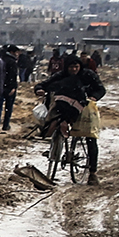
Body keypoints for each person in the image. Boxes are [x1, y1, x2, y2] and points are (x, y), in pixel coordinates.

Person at [37, 53, 107, 183]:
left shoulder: (88, 75)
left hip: (85, 110)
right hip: (65, 109)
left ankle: (93, 172)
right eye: (71, 67)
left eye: (76, 67)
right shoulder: (61, 76)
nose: (74, 70)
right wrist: (39, 89)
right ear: (66, 67)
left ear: (80, 66)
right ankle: (53, 151)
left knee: (90, 139)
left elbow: (101, 89)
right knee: (54, 123)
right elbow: (45, 84)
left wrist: (93, 97)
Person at [0, 45, 21, 132]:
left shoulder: (0, 59)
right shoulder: (12, 61)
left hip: (0, 86)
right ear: (12, 52)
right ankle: (6, 125)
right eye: (16, 52)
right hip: (9, 87)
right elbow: (13, 75)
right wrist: (13, 87)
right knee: (8, 108)